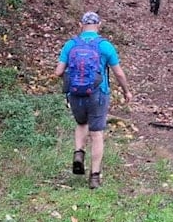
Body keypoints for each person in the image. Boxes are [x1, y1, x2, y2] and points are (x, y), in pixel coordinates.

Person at [55, 12, 133, 189]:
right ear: (99, 25)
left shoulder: (70, 45)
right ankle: (94, 177)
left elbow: (58, 72)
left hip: (75, 93)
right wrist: (126, 91)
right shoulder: (105, 46)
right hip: (98, 94)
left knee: (81, 124)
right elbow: (119, 73)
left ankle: (78, 153)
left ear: (80, 24)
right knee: (96, 133)